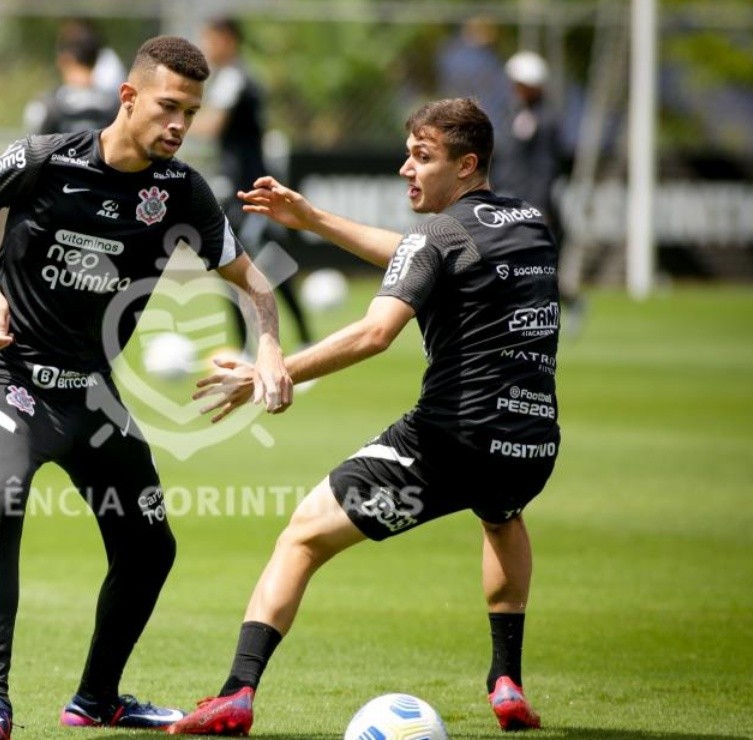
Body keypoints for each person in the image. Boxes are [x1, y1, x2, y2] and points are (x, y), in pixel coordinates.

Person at [0, 36, 294, 740]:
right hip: (9, 379)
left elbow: (255, 281)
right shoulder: (46, 159)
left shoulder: (182, 192)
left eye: (190, 112)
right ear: (128, 97)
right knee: (3, 500)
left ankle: (97, 699)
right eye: (168, 107)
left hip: (92, 398)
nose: (180, 125)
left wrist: (272, 347)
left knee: (150, 548)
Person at [167, 98, 560, 735]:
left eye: (422, 157)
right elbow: (423, 254)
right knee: (502, 515)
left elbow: (377, 331)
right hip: (530, 441)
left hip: (447, 443)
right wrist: (314, 218)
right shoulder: (529, 223)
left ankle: (235, 693)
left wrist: (275, 369)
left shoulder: (439, 235)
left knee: (301, 537)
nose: (407, 168)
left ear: (466, 165)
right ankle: (506, 679)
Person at [195, 17, 312, 353]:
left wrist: (168, 119)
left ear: (228, 40)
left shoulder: (234, 77)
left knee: (234, 261)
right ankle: (301, 337)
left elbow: (213, 125)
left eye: (211, 40)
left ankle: (254, 347)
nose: (207, 48)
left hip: (248, 189)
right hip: (241, 188)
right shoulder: (234, 77)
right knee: (266, 260)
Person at [491, 51, 585, 332]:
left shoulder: (546, 120)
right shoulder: (510, 112)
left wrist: (539, 206)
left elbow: (546, 167)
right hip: (505, 199)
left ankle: (567, 303)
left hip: (532, 203)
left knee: (534, 266)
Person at [23, 30, 120, 135]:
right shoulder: (117, 107)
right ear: (96, 58)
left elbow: (33, 147)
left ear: (64, 59)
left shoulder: (47, 106)